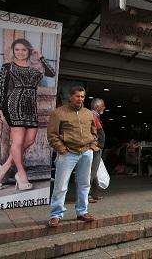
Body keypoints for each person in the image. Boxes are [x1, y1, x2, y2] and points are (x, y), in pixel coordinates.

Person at [0, 38, 56, 191]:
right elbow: (2, 88)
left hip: (31, 105)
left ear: (29, 50)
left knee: (29, 140)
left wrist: (40, 57)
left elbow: (51, 73)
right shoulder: (8, 67)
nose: (20, 52)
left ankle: (3, 169)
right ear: (13, 51)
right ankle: (21, 174)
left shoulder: (35, 67)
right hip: (15, 104)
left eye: (23, 49)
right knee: (18, 142)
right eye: (17, 49)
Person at [47, 86, 98, 227]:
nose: (80, 99)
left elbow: (94, 131)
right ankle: (56, 214)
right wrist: (61, 149)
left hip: (86, 152)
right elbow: (52, 134)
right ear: (70, 97)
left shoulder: (88, 113)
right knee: (61, 185)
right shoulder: (59, 113)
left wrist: (93, 146)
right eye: (77, 96)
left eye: (82, 97)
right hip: (68, 152)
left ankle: (82, 211)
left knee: (84, 184)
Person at [88, 98, 106, 203]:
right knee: (91, 172)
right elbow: (97, 132)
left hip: (96, 147)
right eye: (103, 105)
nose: (104, 108)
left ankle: (94, 194)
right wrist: (97, 145)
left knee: (93, 172)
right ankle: (87, 195)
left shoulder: (94, 116)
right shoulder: (92, 116)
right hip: (95, 148)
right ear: (97, 106)